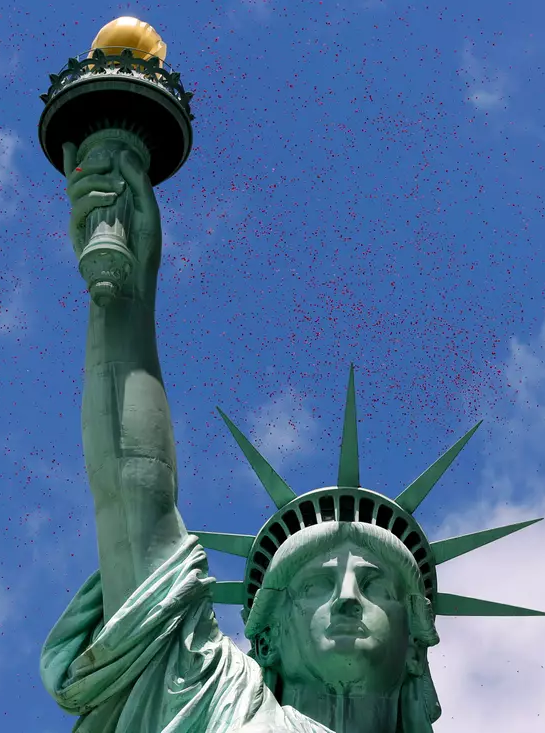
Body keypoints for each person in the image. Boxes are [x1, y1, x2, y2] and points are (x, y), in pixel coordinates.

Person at [37, 139, 451, 733]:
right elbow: (133, 488)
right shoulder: (213, 706)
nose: (347, 598)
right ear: (269, 638)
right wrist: (125, 299)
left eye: (377, 582)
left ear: (417, 643)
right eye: (313, 584)